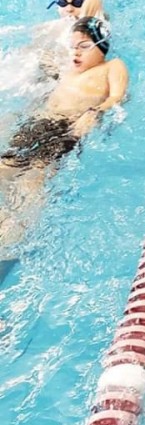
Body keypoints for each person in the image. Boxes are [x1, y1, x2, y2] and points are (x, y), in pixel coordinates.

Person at [0, 15, 128, 279]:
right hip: (37, 124)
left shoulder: (112, 66)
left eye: (84, 46)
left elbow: (117, 97)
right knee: (4, 172)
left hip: (65, 128)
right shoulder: (69, 72)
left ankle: (6, 250)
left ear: (101, 45)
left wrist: (95, 113)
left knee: (32, 184)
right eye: (72, 46)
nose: (75, 52)